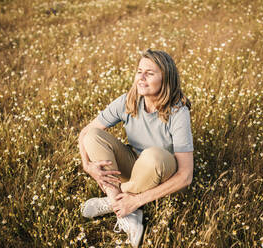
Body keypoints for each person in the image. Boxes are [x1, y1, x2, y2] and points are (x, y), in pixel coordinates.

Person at [78, 49, 194, 247]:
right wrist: (87, 166)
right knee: (93, 136)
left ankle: (114, 202)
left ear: (166, 79)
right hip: (135, 168)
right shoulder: (128, 100)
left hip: (163, 174)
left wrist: (137, 200)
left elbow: (186, 176)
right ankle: (128, 216)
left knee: (153, 155)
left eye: (149, 73)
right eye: (139, 71)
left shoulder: (178, 112)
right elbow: (85, 132)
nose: (141, 78)